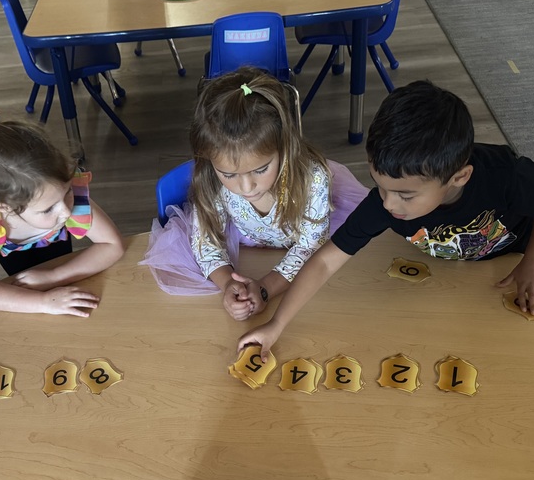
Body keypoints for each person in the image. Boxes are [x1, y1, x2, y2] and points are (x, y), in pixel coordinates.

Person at [239, 79, 534, 359]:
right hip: (450, 281)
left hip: (510, 264)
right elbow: (326, 262)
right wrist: (276, 325)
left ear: (460, 177)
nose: (388, 203)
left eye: (405, 195)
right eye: (380, 186)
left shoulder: (502, 176)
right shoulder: (383, 202)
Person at [140, 66, 368, 320]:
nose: (247, 188)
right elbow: (206, 242)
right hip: (244, 246)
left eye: (261, 169)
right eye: (229, 175)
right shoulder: (210, 179)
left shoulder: (312, 180)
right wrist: (228, 283)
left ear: (285, 145)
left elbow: (310, 247)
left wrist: (265, 288)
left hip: (306, 247)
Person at [0, 113, 125, 316]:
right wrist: (43, 302)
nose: (66, 211)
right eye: (48, 208)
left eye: (67, 191)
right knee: (22, 276)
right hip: (15, 256)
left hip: (55, 252)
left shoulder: (57, 191)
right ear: (5, 208)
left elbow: (113, 245)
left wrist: (55, 276)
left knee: (52, 260)